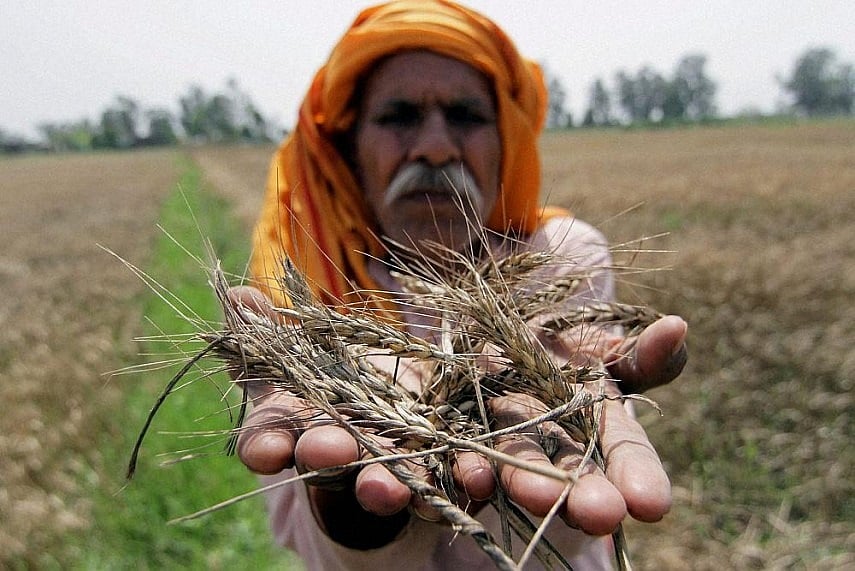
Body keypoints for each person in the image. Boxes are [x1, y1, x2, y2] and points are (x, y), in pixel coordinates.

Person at [229, 1, 688, 568]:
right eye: (398, 116)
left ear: (507, 142)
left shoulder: (562, 256)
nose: (437, 148)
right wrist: (347, 494)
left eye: (466, 116)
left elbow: (571, 522)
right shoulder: (307, 278)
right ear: (351, 149)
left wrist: (546, 397)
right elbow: (316, 540)